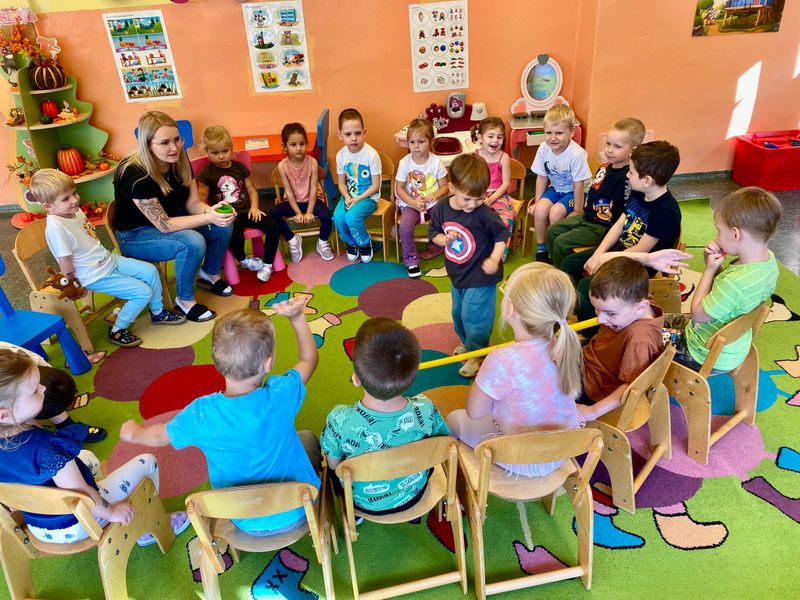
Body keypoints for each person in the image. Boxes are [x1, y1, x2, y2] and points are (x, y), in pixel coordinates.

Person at [120, 300, 322, 535]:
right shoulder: (280, 393)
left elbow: (159, 436)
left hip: (243, 520)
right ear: (268, 364)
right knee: (308, 439)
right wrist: (297, 318)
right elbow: (309, 360)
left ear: (217, 362)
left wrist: (136, 433)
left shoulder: (201, 413)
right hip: (298, 510)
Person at [0, 347, 188, 545]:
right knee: (148, 462)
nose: (43, 389)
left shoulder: (15, 433)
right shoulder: (49, 450)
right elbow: (82, 494)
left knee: (87, 457)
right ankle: (147, 525)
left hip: (37, 526)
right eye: (34, 391)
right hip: (79, 522)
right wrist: (112, 512)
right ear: (4, 414)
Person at [446, 263, 583, 476]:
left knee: (454, 418)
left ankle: (461, 481)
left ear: (511, 309)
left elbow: (475, 412)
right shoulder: (566, 346)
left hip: (523, 459)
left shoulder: (503, 358)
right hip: (561, 449)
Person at [29, 169, 185, 349]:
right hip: (94, 275)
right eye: (66, 199)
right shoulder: (56, 228)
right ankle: (118, 329)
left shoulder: (74, 211)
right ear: (48, 206)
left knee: (150, 271)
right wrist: (73, 283)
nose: (75, 200)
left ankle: (158, 312)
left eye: (74, 193)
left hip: (107, 260)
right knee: (143, 293)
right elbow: (64, 261)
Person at [112, 111, 235, 323]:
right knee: (192, 242)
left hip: (172, 218)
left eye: (177, 139)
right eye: (165, 142)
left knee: (223, 225)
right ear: (148, 144)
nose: (174, 147)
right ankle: (185, 300)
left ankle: (209, 273)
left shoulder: (179, 159)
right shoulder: (133, 172)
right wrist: (209, 218)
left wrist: (212, 211)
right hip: (136, 236)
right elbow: (165, 225)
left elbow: (193, 204)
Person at [320, 318, 449, 514]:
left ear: (356, 378)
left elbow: (334, 465)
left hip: (362, 502)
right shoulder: (425, 408)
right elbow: (443, 441)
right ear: (412, 378)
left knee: (332, 471)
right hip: (415, 490)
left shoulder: (339, 420)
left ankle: (354, 516)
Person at [663, 187, 781, 372]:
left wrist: (709, 270)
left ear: (735, 234)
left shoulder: (735, 283)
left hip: (702, 352)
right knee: (655, 319)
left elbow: (697, 314)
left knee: (644, 334)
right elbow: (728, 295)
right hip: (733, 346)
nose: (717, 237)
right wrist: (713, 265)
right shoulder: (768, 263)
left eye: (719, 231)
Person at [575, 140, 682, 321]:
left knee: (587, 287)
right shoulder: (639, 191)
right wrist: (598, 254)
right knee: (570, 263)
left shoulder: (666, 212)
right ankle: (581, 308)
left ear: (647, 180)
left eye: (631, 172)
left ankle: (594, 328)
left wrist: (602, 260)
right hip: (619, 251)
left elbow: (640, 251)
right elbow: (619, 224)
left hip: (637, 266)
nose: (627, 175)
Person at [428, 154, 509, 378]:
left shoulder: (484, 213)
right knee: (458, 313)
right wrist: (443, 240)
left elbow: (502, 236)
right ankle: (468, 343)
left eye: (479, 198)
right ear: (452, 188)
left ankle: (479, 353)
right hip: (457, 273)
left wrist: (494, 258)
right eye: (467, 199)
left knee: (475, 315)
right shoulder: (441, 208)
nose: (473, 204)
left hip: (481, 276)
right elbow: (433, 232)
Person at [547, 117, 646, 282]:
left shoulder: (629, 177)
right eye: (608, 144)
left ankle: (565, 281)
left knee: (561, 243)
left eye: (617, 146)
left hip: (602, 226)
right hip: (587, 216)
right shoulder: (605, 166)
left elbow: (623, 213)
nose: (609, 150)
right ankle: (558, 270)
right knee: (552, 231)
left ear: (633, 150)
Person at [578, 257, 666, 421]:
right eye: (597, 309)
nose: (600, 319)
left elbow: (631, 386)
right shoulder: (633, 305)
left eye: (610, 313)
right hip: (591, 360)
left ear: (641, 307)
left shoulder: (639, 339)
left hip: (594, 386)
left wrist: (593, 411)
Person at [197, 125, 281, 282]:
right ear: (207, 152)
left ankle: (268, 265)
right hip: (228, 217)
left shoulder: (239, 167)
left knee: (273, 227)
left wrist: (254, 207)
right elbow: (201, 199)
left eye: (225, 151)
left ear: (231, 148)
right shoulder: (206, 173)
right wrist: (213, 214)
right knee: (234, 234)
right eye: (215, 153)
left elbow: (252, 191)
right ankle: (243, 260)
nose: (221, 156)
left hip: (247, 212)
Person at [0, 342, 106, 443]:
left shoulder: (21, 359)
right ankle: (43, 434)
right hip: (12, 412)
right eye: (35, 390)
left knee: (50, 393)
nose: (43, 388)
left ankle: (65, 424)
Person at [526, 104, 592, 263]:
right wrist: (537, 201)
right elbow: (542, 177)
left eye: (559, 133)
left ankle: (554, 249)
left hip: (576, 192)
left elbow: (578, 185)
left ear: (571, 132)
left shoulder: (576, 154)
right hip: (556, 188)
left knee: (555, 213)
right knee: (540, 210)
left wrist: (577, 211)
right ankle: (542, 248)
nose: (553, 138)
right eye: (548, 133)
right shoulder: (544, 148)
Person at [269, 122, 335, 263]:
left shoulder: (312, 162)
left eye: (302, 144)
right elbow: (288, 191)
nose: (299, 148)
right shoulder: (282, 165)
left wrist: (309, 211)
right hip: (293, 202)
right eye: (293, 145)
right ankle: (293, 240)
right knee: (273, 212)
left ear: (306, 144)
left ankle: (322, 243)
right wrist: (298, 213)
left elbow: (313, 189)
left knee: (326, 215)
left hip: (312, 200)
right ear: (284, 147)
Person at [394, 118, 448, 277]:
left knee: (448, 218)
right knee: (405, 226)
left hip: (433, 204)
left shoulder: (436, 162)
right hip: (411, 204)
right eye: (412, 142)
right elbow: (399, 188)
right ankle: (411, 260)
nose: (416, 146)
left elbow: (445, 186)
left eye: (421, 141)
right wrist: (413, 202)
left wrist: (435, 195)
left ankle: (443, 245)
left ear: (431, 142)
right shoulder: (404, 163)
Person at [333, 108, 382, 263]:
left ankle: (365, 243)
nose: (353, 138)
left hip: (368, 197)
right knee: (338, 217)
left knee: (352, 217)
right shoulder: (341, 155)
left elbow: (375, 186)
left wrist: (357, 199)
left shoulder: (371, 155)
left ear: (364, 132)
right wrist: (347, 197)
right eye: (348, 134)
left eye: (358, 133)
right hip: (349, 196)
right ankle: (352, 243)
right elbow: (341, 183)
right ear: (340, 135)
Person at [471, 117, 514, 240]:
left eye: (499, 137)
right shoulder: (475, 156)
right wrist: (479, 197)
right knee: (470, 219)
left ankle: (499, 249)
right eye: (490, 136)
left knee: (505, 220)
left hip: (498, 196)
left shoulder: (503, 157)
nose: (495, 140)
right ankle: (479, 246)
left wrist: (491, 199)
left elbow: (505, 184)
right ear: (480, 138)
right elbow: (470, 181)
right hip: (478, 195)